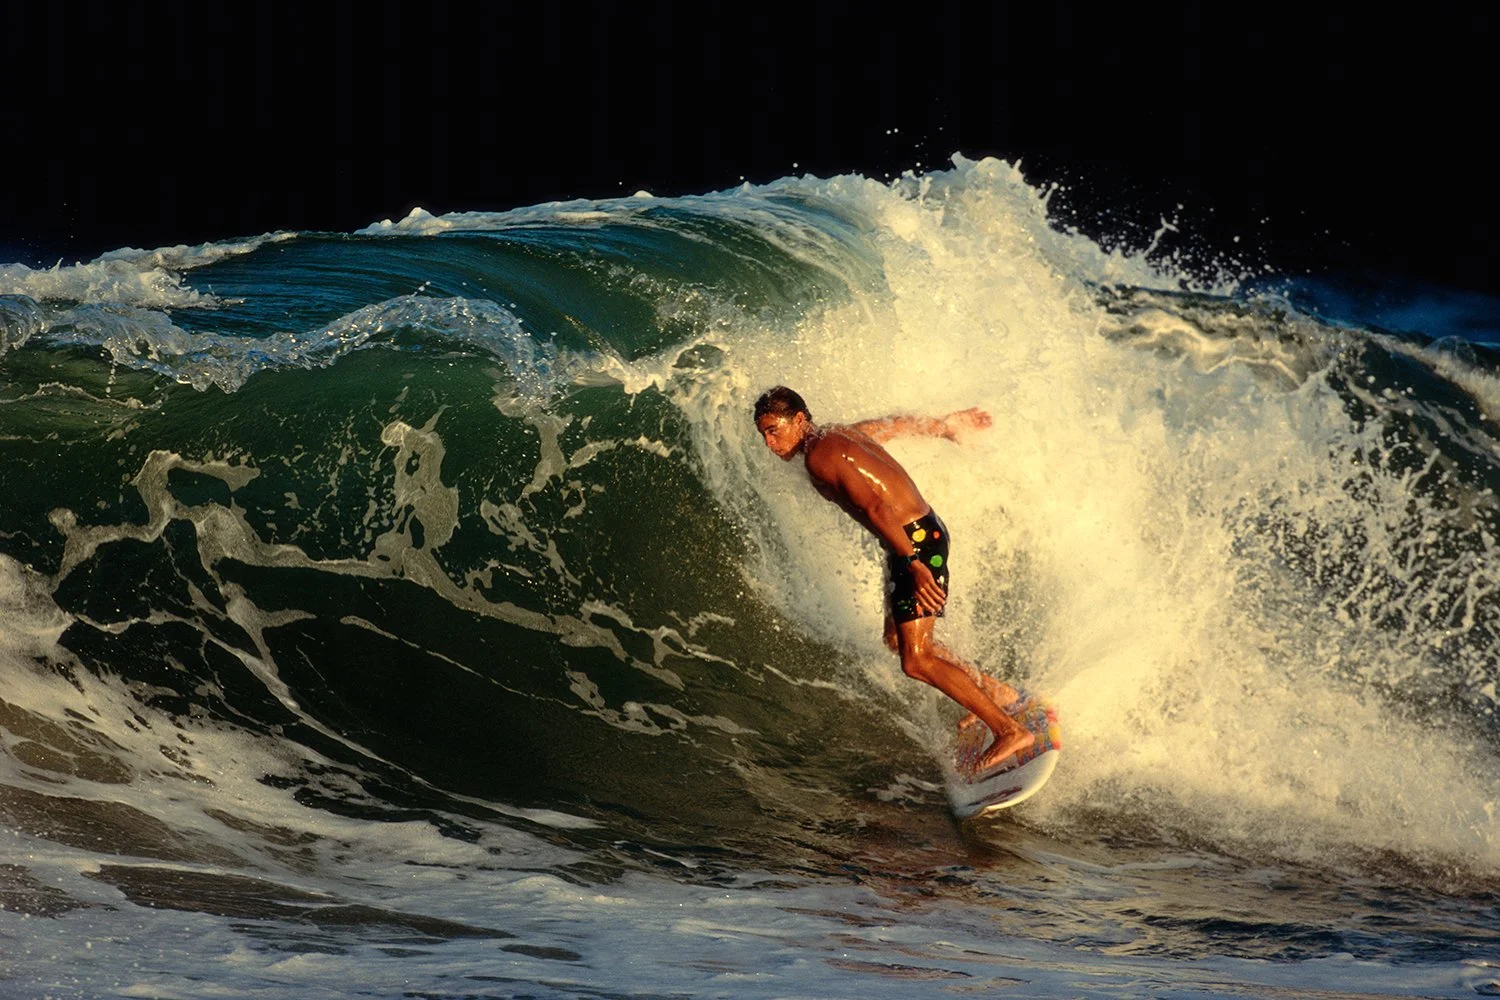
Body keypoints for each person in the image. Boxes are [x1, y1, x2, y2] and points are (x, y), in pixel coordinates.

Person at [753, 385, 1034, 774]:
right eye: (763, 434)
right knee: (896, 640)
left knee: (916, 660)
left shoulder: (819, 456)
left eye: (773, 430)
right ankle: (997, 692)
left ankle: (1009, 730)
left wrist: (915, 565)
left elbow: (877, 507)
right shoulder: (837, 435)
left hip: (913, 544)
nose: (769, 442)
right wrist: (945, 427)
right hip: (913, 539)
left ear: (799, 420)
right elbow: (890, 426)